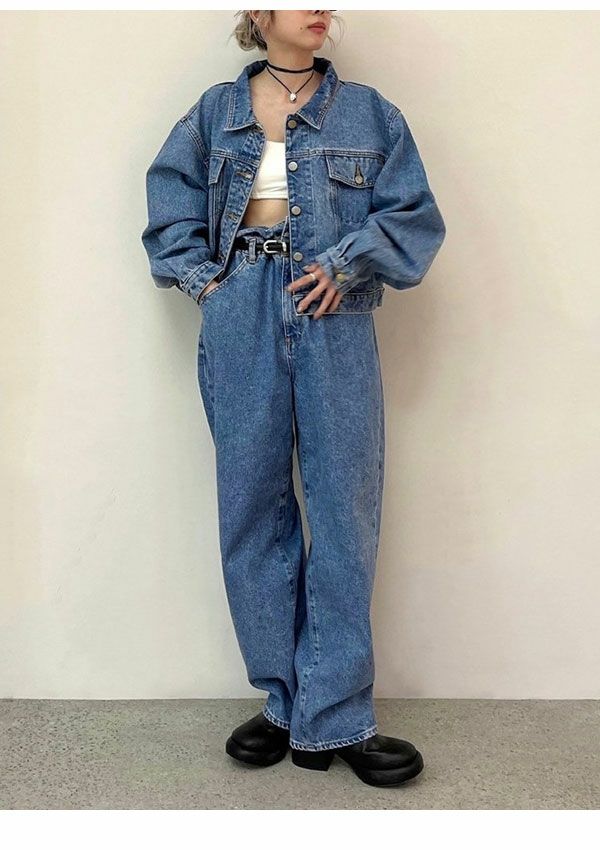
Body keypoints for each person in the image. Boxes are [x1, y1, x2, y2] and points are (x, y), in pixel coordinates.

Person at [141, 10, 446, 788]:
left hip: (332, 315)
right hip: (240, 311)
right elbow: (169, 206)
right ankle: (283, 703)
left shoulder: (369, 114)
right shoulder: (215, 112)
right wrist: (210, 285)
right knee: (253, 508)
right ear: (258, 14)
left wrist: (346, 263)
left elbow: (413, 217)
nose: (321, 9)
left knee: (345, 510)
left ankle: (335, 716)